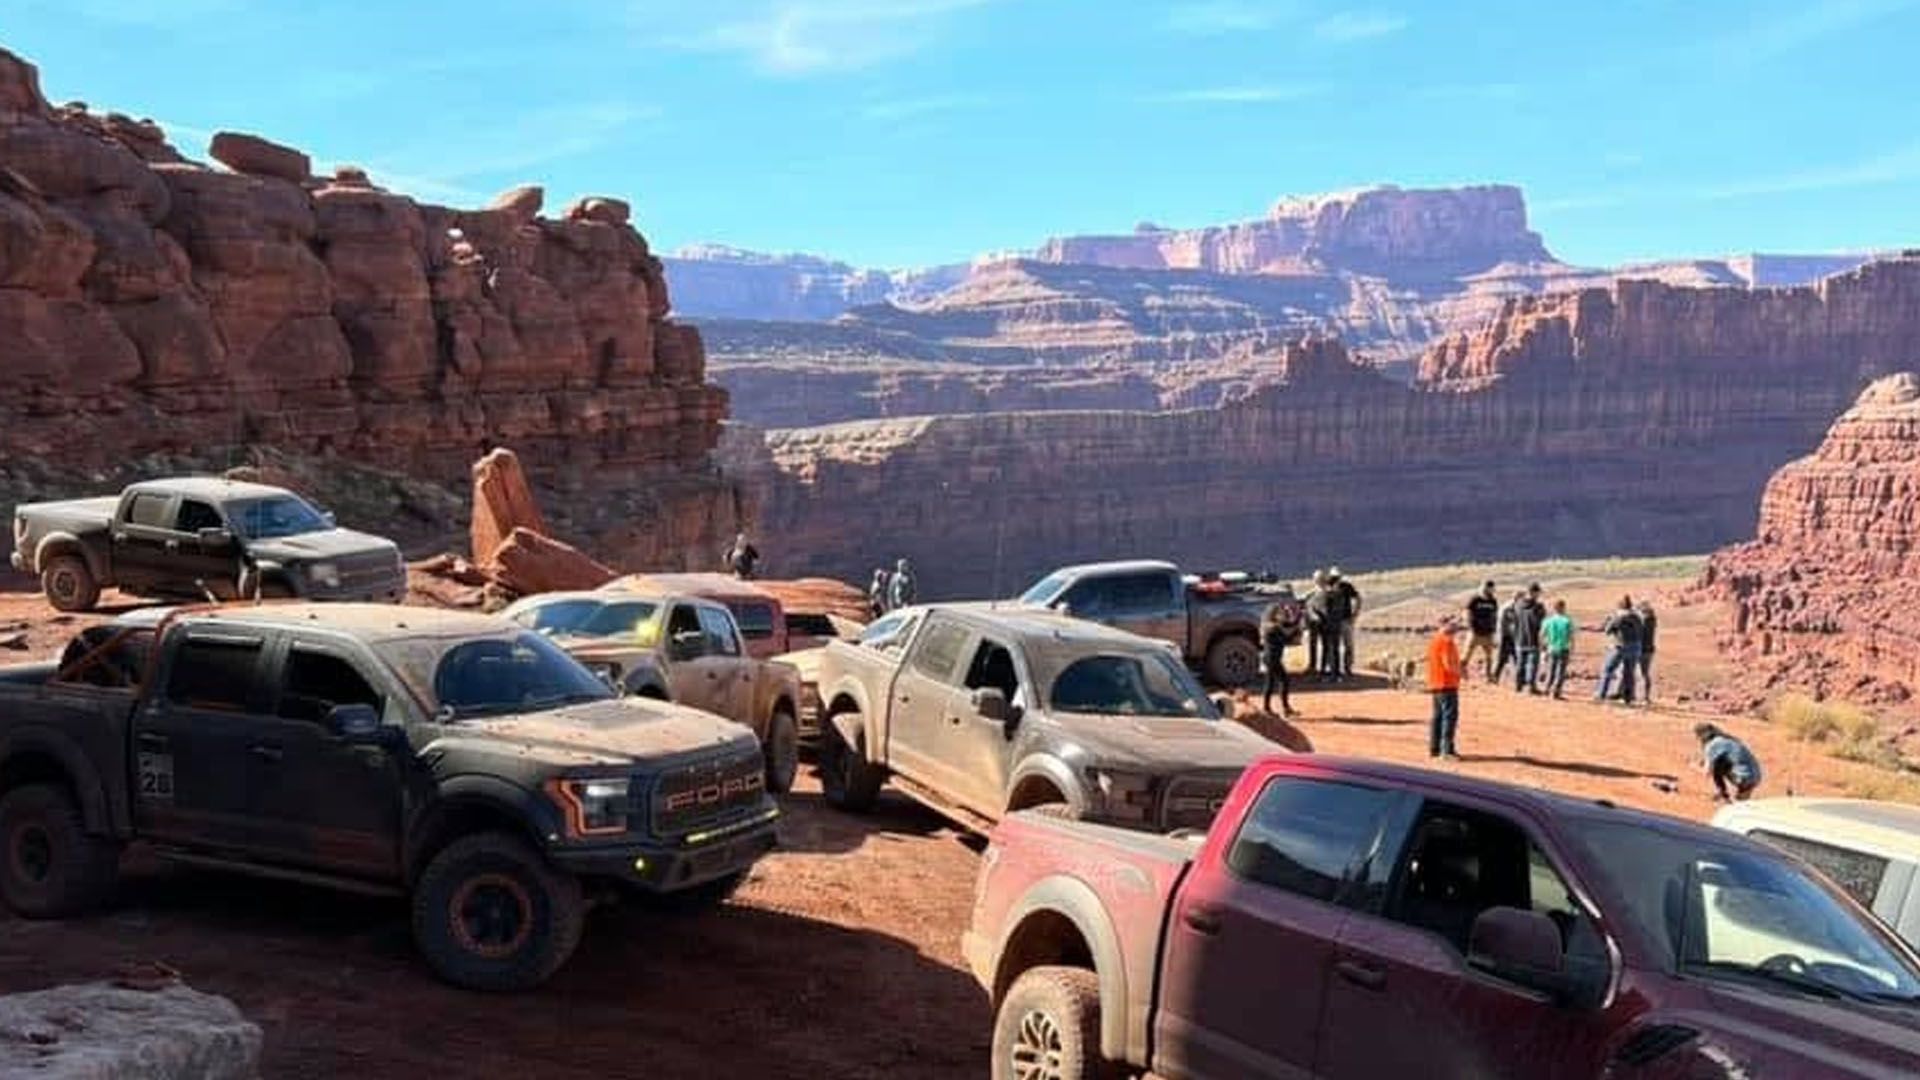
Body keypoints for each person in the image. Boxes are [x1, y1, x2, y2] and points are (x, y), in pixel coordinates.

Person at [1260, 588, 1305, 717]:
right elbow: (1287, 636)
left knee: (1272, 682)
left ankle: (1271, 708)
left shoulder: (1269, 626)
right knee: (1281, 681)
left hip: (1270, 658)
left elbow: (1288, 625)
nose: (1283, 614)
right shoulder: (1273, 628)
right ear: (1274, 615)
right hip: (1272, 658)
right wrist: (1297, 625)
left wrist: (1297, 618)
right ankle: (1280, 709)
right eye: (1280, 613)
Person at [1426, 616, 1463, 760]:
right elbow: (1448, 664)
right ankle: (1446, 751)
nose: (1454, 627)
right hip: (1447, 684)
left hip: (1436, 684)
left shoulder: (1435, 641)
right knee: (1449, 717)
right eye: (1450, 624)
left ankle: (1435, 749)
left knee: (1438, 717)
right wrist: (1461, 673)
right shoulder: (1446, 642)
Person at [1595, 596, 1644, 704]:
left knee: (1607, 670)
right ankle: (1628, 698)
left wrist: (1610, 620)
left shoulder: (1618, 616)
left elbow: (1607, 630)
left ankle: (1601, 695)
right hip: (1635, 647)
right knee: (1629, 673)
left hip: (1620, 646)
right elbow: (1641, 630)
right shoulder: (1636, 616)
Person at [1696, 723, 1762, 802]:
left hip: (1744, 778)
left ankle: (1723, 794)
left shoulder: (1712, 745)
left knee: (1717, 765)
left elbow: (1707, 773)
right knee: (1721, 762)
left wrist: (1694, 766)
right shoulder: (1727, 739)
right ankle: (1740, 794)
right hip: (1756, 776)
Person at [1326, 567, 1361, 679]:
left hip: (1346, 620)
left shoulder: (1346, 586)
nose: (1336, 579)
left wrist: (1355, 614)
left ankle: (1347, 667)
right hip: (1334, 621)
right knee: (1333, 646)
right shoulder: (1328, 587)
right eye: (1334, 577)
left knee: (1348, 645)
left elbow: (1358, 598)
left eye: (1337, 577)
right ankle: (1333, 668)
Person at [1463, 581, 1500, 681]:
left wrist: (1494, 629)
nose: (1490, 590)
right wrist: (1470, 626)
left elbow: (1495, 615)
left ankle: (1488, 675)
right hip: (1475, 632)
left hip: (1488, 633)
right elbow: (1467, 612)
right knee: (1467, 654)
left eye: (1491, 588)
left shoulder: (1493, 601)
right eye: (1487, 588)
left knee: (1489, 656)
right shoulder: (1475, 599)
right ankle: (1462, 672)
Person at [1513, 586, 1545, 694]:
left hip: (1520, 639)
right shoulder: (1538, 606)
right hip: (1533, 639)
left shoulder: (1518, 605)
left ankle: (1518, 686)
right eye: (1538, 593)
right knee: (1532, 665)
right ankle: (1531, 687)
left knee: (1520, 664)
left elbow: (1515, 622)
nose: (1539, 595)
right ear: (1534, 592)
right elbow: (1540, 623)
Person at [1541, 599, 1575, 700]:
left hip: (1551, 648)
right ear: (1562, 608)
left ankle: (1546, 689)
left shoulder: (1548, 620)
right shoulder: (1567, 621)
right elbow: (1571, 637)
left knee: (1551, 670)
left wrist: (1544, 648)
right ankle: (1556, 692)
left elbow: (1542, 635)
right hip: (1563, 648)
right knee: (1560, 672)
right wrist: (1572, 651)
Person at [1304, 569, 1329, 676]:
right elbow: (1308, 607)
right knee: (1312, 645)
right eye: (1317, 578)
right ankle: (1312, 666)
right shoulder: (1311, 593)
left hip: (1326, 622)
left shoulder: (1329, 593)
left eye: (1321, 578)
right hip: (1313, 623)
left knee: (1326, 645)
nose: (1319, 580)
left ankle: (1324, 667)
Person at [1493, 591, 1521, 684]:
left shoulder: (1517, 607)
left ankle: (1519, 681)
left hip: (1513, 637)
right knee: (1501, 658)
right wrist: (1500, 637)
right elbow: (1502, 624)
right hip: (1505, 637)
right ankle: (1495, 677)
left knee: (1517, 659)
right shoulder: (1507, 608)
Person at [1637, 600, 1659, 705]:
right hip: (1649, 649)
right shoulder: (1652, 620)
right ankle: (1645, 696)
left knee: (1643, 673)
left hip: (1643, 649)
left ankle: (1644, 696)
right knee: (1645, 673)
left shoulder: (1645, 621)